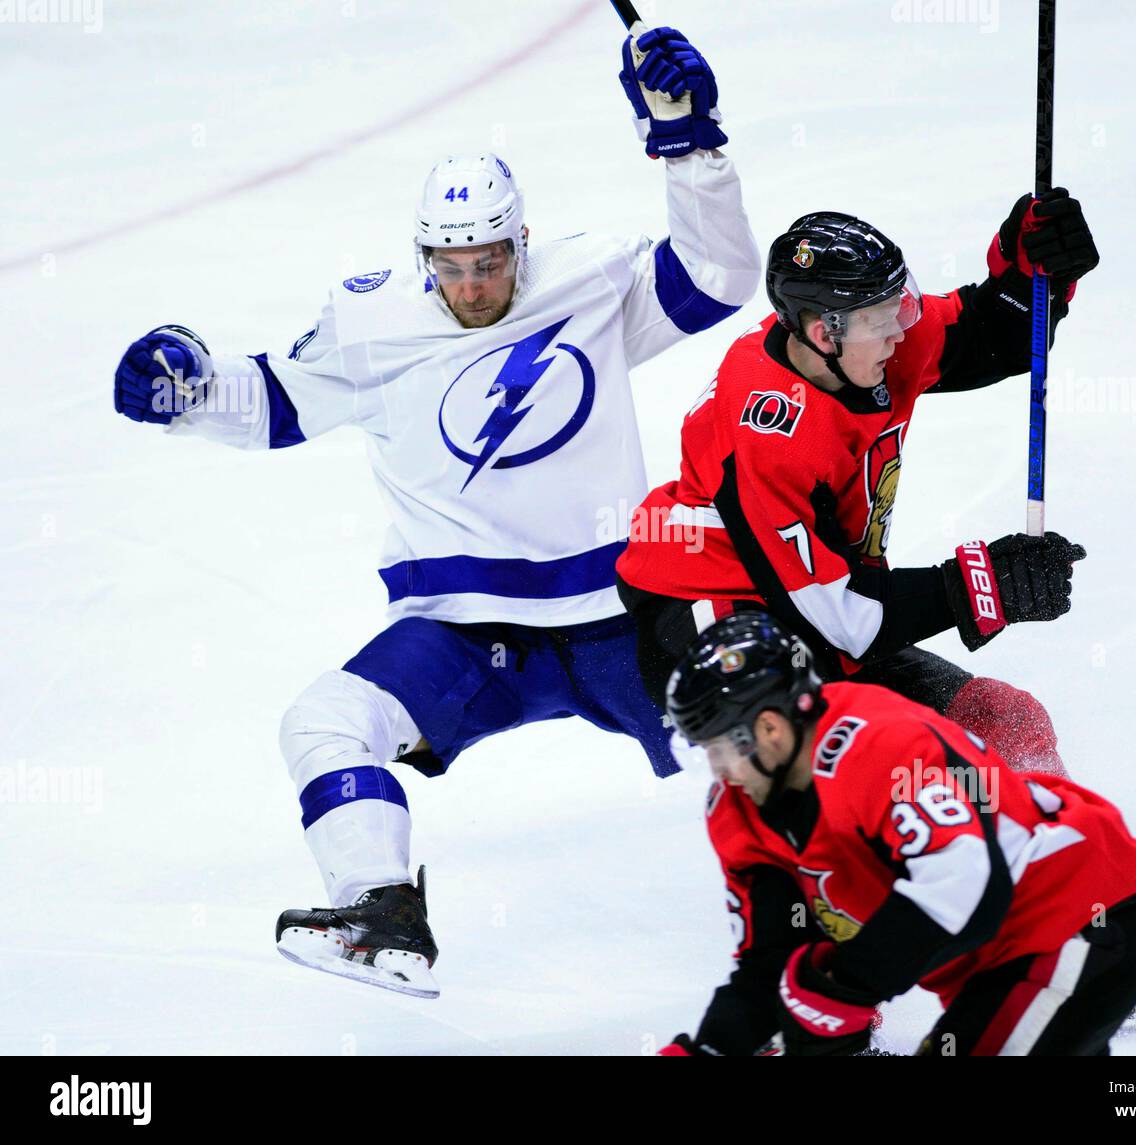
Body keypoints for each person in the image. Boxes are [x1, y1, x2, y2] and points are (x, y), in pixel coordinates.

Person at [111, 25, 761, 997]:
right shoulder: (374, 326)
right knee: (325, 722)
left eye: (489, 262)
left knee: (759, 747)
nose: (470, 284)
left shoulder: (587, 284)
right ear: (424, 258)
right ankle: (381, 908)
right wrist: (184, 390)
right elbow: (275, 401)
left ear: (521, 242)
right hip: (464, 632)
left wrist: (689, 142)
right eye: (451, 266)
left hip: (621, 616)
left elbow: (716, 277)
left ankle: (815, 928)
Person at [616, 204, 1136, 1027]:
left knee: (1005, 719)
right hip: (714, 617)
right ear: (819, 330)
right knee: (813, 787)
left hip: (810, 605)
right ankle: (811, 1015)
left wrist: (1036, 276)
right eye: (882, 317)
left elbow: (985, 336)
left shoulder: (864, 346)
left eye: (898, 304)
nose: (902, 328)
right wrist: (978, 585)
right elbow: (838, 619)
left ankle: (1070, 933)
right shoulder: (765, 429)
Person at [659, 612, 1136, 1056]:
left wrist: (846, 986)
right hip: (988, 971)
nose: (717, 770)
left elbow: (965, 885)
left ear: (769, 729)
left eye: (718, 747)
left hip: (1069, 927)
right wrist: (709, 1049)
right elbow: (772, 960)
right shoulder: (739, 810)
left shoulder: (879, 742)